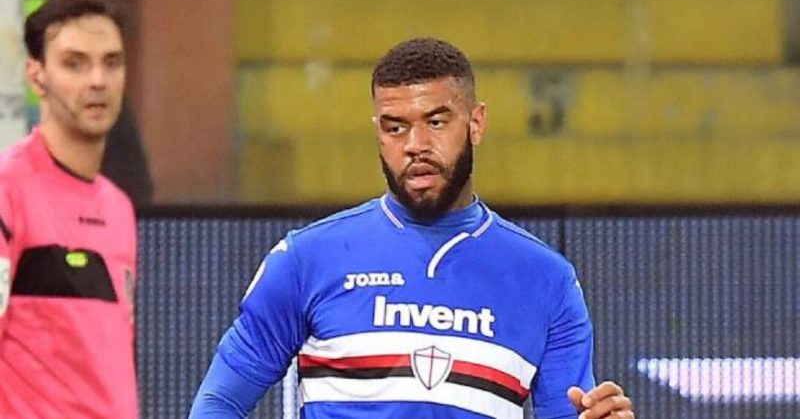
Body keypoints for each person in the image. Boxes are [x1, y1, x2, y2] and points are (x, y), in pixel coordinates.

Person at [190, 37, 634, 419]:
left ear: (476, 123)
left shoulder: (547, 279)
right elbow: (218, 402)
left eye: (436, 122)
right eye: (395, 128)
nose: (416, 145)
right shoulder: (307, 258)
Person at [0, 0, 138, 418]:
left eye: (111, 63)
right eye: (74, 64)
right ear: (36, 76)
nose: (97, 80)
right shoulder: (8, 190)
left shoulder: (119, 208)